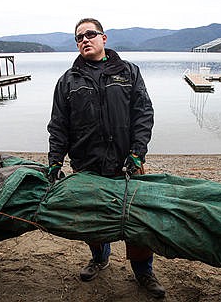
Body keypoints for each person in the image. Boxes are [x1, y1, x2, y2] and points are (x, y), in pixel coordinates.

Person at [47, 18, 165, 298]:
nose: (84, 40)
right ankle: (99, 258)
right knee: (93, 221)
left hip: (128, 164)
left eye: (90, 34)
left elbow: (143, 114)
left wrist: (138, 153)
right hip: (88, 167)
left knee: (138, 222)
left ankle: (143, 271)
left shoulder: (129, 72)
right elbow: (58, 125)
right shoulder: (68, 80)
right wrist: (54, 161)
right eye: (79, 38)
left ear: (104, 38)